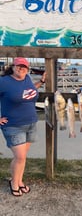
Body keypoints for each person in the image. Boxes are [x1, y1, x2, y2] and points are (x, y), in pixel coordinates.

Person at [0, 57, 46, 196]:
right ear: (13, 67)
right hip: (13, 125)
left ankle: (18, 181)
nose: (21, 68)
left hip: (31, 123)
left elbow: (28, 92)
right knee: (19, 157)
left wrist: (41, 82)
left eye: (24, 67)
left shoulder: (27, 79)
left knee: (22, 157)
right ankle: (14, 183)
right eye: (19, 66)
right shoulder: (4, 82)